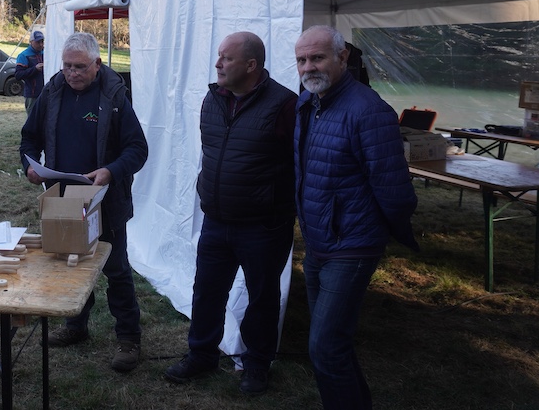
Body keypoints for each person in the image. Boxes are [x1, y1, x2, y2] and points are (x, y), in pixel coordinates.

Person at [293, 25, 419, 410]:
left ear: (343, 57)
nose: (308, 67)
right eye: (302, 60)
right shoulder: (309, 102)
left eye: (317, 58)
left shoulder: (369, 111)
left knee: (325, 346)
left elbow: (395, 189)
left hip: (352, 246)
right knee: (334, 342)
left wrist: (390, 231)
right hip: (318, 242)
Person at [164, 32, 296, 395]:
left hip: (263, 225)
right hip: (216, 219)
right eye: (219, 56)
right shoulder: (214, 98)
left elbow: (299, 164)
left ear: (251, 65)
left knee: (262, 297)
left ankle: (256, 365)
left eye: (227, 58)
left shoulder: (285, 105)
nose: (218, 64)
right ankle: (201, 355)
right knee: (206, 291)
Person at [19, 32, 149, 372]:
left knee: (116, 270)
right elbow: (29, 137)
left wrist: (110, 171)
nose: (72, 73)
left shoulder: (115, 96)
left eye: (79, 67)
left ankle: (129, 338)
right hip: (63, 201)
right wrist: (29, 166)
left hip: (106, 200)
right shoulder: (52, 92)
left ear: (97, 64)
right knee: (69, 264)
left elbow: (138, 149)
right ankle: (76, 326)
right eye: (67, 66)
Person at [15, 30, 45, 112]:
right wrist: (35, 69)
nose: (41, 44)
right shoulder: (24, 55)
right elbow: (18, 75)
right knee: (33, 118)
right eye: (38, 42)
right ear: (31, 42)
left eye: (42, 41)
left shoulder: (46, 53)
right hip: (32, 95)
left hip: (46, 93)